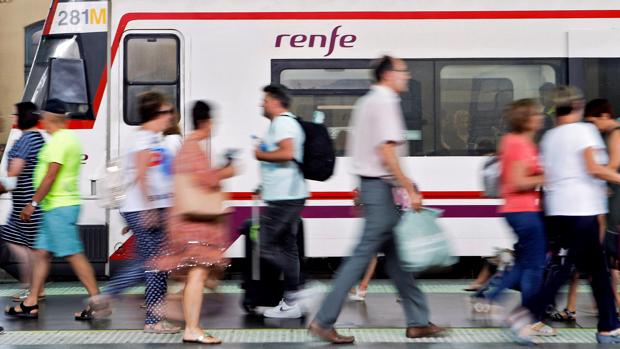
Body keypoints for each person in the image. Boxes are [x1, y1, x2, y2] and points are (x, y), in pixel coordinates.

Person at [309, 56, 443, 344]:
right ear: (388, 75)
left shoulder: (369, 101)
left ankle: (418, 321)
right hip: (379, 191)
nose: (407, 76)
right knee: (360, 258)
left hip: (374, 189)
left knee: (397, 260)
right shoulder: (385, 102)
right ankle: (323, 320)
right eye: (404, 71)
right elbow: (386, 151)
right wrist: (409, 187)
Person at [532, 86, 620, 344]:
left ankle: (608, 327)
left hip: (559, 209)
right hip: (582, 209)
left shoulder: (549, 137)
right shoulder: (584, 131)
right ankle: (528, 316)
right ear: (578, 106)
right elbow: (594, 169)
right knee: (569, 268)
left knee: (596, 270)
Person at [90, 92, 180, 333]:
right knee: (154, 265)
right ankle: (152, 321)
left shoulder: (154, 138)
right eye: (165, 112)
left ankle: (109, 297)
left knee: (149, 263)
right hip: (145, 208)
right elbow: (142, 175)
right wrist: (149, 209)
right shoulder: (143, 139)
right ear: (154, 114)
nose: (170, 116)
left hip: (150, 208)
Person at [4, 99, 101, 320]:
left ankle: (97, 301)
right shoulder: (65, 139)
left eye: (43, 119)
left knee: (73, 255)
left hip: (59, 206)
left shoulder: (59, 142)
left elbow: (50, 175)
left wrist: (32, 203)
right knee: (40, 254)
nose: (41, 122)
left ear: (49, 119)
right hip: (54, 206)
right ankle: (31, 303)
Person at [471, 99, 552, 342]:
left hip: (518, 211)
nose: (540, 117)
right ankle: (522, 319)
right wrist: (548, 176)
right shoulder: (519, 144)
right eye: (536, 114)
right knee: (534, 268)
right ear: (525, 118)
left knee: (525, 265)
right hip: (524, 211)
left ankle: (493, 298)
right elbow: (517, 181)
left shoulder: (513, 141)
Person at [154, 101, 234, 344]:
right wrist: (227, 171)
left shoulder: (188, 146)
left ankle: (189, 322)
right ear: (206, 122)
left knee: (196, 275)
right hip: (193, 224)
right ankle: (191, 327)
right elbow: (205, 180)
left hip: (185, 221)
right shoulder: (192, 148)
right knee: (198, 275)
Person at [254, 84, 309, 319]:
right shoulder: (283, 123)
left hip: (286, 197)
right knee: (288, 248)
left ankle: (298, 295)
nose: (262, 103)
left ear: (275, 101)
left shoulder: (283, 123)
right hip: (286, 194)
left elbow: (288, 153)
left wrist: (260, 154)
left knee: (265, 244)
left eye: (265, 100)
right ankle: (290, 303)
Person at [0, 102, 45, 302]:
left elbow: (12, 176)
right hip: (27, 203)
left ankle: (33, 289)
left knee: (29, 247)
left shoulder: (25, 141)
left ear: (23, 117)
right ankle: (32, 286)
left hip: (26, 205)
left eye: (15, 114)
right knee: (19, 242)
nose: (12, 117)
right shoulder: (38, 138)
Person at [584, 98, 620, 309]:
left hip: (617, 198)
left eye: (593, 121)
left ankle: (612, 303)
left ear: (604, 116)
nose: (593, 127)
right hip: (614, 194)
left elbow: (614, 165)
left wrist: (595, 173)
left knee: (612, 250)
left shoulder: (615, 133)